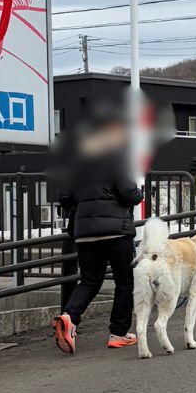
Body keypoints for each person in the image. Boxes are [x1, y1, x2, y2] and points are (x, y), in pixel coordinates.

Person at [49, 103, 143, 354]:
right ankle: (119, 333)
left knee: (90, 280)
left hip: (85, 233)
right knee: (124, 281)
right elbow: (127, 192)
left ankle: (70, 317)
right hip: (115, 232)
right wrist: (139, 194)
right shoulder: (115, 155)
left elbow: (64, 196)